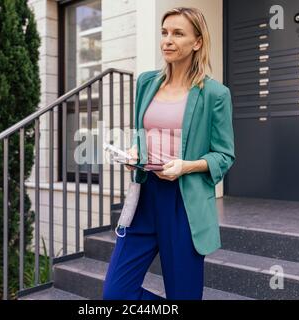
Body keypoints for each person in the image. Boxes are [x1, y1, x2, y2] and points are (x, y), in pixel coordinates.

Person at [102, 6, 235, 300]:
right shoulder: (147, 83)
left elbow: (224, 156)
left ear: (197, 42)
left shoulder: (215, 94)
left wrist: (185, 166)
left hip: (184, 205)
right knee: (115, 294)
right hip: (145, 198)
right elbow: (143, 132)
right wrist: (136, 153)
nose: (167, 40)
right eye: (164, 33)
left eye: (178, 33)